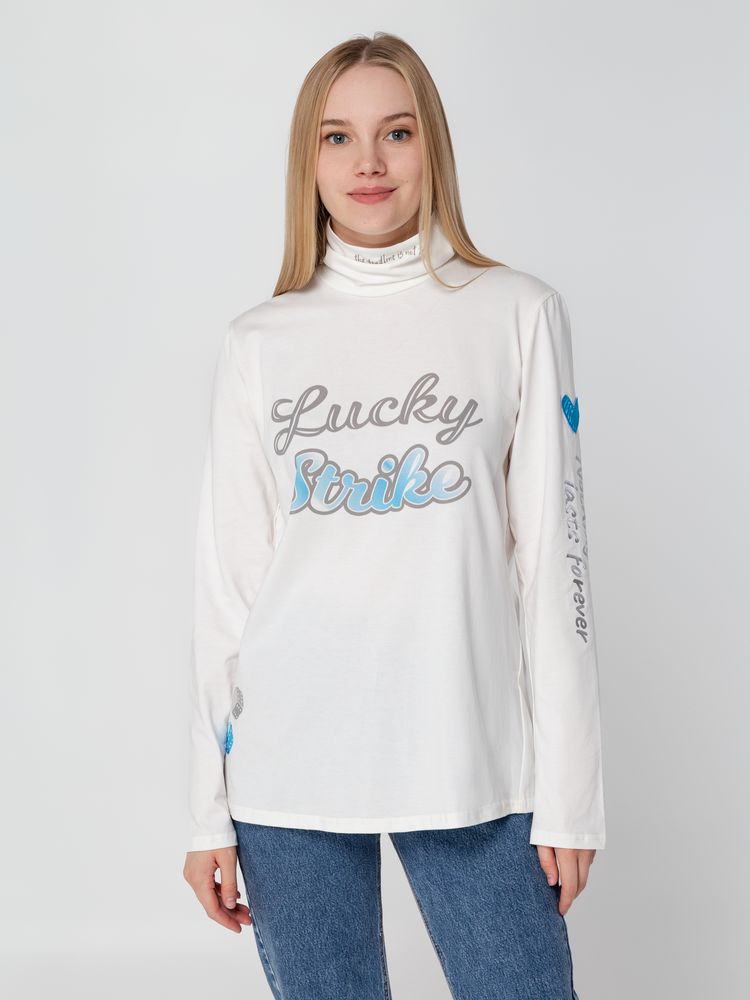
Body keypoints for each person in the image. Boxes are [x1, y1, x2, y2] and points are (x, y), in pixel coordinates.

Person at [182, 31, 606, 1000]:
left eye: (397, 132)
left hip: (471, 755)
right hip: (288, 769)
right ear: (309, 160)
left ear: (433, 148)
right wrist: (207, 810)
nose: (368, 162)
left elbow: (557, 567)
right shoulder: (259, 342)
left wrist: (572, 797)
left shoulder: (517, 313)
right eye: (337, 137)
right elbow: (227, 591)